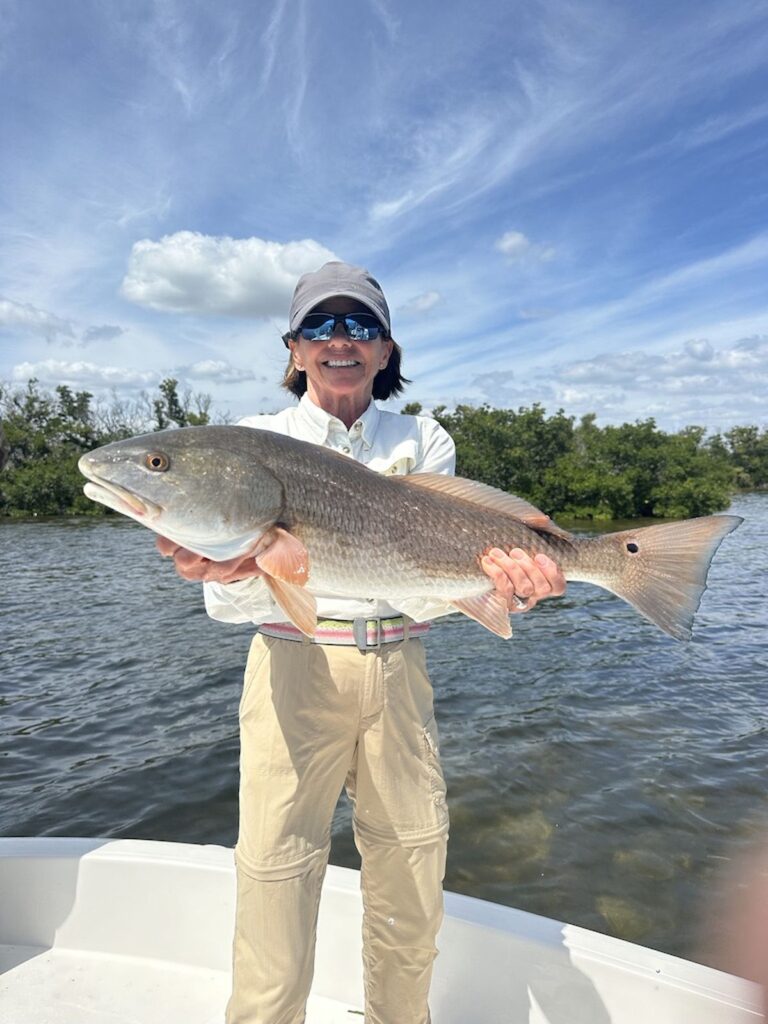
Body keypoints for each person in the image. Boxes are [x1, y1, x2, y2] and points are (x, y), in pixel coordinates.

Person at [157, 261, 566, 1024]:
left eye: (359, 326)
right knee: (274, 882)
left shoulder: (423, 438)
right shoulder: (252, 442)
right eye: (318, 324)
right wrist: (226, 563)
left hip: (398, 667)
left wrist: (511, 584)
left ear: (385, 351)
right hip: (290, 664)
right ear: (293, 348)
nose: (338, 339)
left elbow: (432, 586)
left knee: (411, 882)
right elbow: (228, 604)